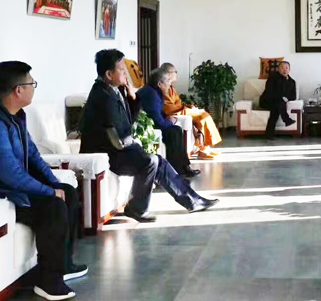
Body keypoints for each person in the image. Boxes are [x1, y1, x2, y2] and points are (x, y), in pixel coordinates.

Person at [0, 61, 86, 300]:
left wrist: (54, 184)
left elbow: (33, 156)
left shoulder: (14, 116)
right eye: (32, 83)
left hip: (3, 188)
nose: (34, 88)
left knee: (68, 192)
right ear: (18, 90)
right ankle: (48, 282)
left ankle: (62, 264)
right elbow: (10, 173)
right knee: (53, 206)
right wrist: (48, 192)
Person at [79, 49, 218, 224]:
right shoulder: (102, 96)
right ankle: (137, 209)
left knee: (158, 161)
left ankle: (193, 201)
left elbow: (128, 122)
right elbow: (117, 135)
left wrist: (133, 98)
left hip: (117, 150)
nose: (125, 73)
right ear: (109, 74)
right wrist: (134, 145)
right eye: (121, 69)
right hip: (106, 154)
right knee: (150, 161)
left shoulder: (113, 90)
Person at [137, 68, 200, 178]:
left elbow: (157, 113)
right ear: (159, 84)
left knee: (176, 130)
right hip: (146, 127)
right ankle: (176, 170)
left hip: (152, 123)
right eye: (167, 81)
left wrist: (168, 119)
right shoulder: (151, 95)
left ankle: (183, 167)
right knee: (173, 132)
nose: (170, 84)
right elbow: (158, 121)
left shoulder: (154, 91)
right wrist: (170, 121)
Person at [159, 63, 221, 159]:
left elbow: (178, 103)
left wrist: (189, 107)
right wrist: (187, 110)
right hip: (174, 113)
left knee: (204, 114)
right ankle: (202, 150)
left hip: (180, 110)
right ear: (169, 74)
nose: (176, 74)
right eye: (175, 72)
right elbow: (169, 108)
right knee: (203, 116)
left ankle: (205, 148)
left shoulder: (170, 87)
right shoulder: (164, 87)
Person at [259, 61, 297, 139]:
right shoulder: (273, 77)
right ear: (278, 69)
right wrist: (281, 97)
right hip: (267, 100)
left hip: (279, 103)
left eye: (286, 68)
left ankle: (269, 134)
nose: (284, 70)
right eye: (282, 68)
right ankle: (286, 119)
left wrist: (286, 98)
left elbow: (293, 96)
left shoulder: (292, 82)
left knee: (276, 108)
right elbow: (269, 91)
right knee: (278, 102)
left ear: (289, 69)